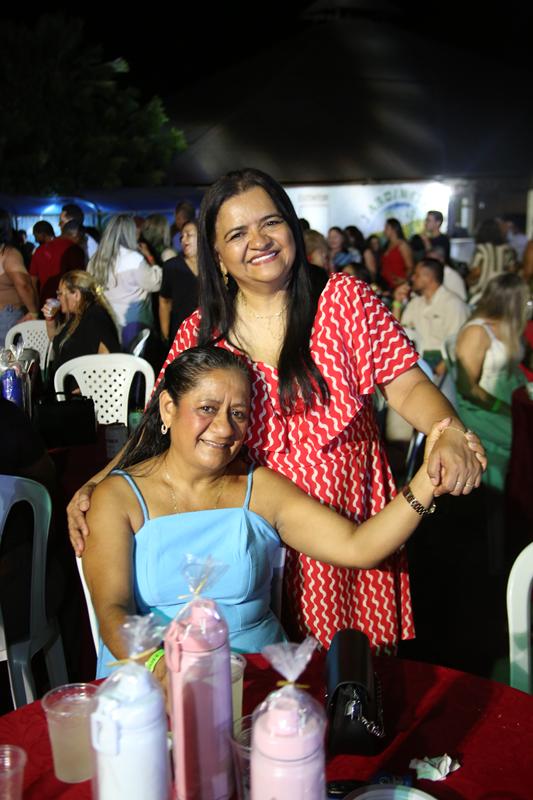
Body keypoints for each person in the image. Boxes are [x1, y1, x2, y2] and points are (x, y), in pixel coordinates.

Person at [69, 168, 485, 655]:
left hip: (346, 526)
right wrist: (99, 485)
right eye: (237, 234)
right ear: (217, 255)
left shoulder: (344, 302)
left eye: (270, 223)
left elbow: (408, 385)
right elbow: (160, 429)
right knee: (256, 678)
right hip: (247, 541)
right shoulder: (201, 332)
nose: (259, 241)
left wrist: (446, 430)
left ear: (292, 227)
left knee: (349, 680)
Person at [82, 346, 481, 678]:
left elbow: (359, 547)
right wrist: (161, 669)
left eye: (238, 413)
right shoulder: (119, 496)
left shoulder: (260, 489)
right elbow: (113, 611)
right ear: (168, 408)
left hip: (257, 678)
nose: (224, 428)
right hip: (148, 675)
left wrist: (426, 483)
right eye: (207, 408)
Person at [454, 273, 529, 492]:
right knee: (525, 439)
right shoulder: (477, 331)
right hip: (482, 409)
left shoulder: (509, 328)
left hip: (509, 404)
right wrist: (501, 408)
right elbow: (467, 387)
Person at [87, 214, 162, 349]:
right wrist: (151, 259)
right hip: (133, 323)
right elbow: (155, 284)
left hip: (106, 321)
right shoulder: (134, 259)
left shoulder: (94, 260)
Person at [392, 257, 469, 375]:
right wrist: (397, 302)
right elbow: (396, 334)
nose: (412, 278)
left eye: (416, 275)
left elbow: (458, 342)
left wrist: (440, 370)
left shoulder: (453, 304)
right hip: (418, 359)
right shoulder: (415, 303)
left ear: (429, 278)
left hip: (443, 362)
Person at [43, 270, 120, 382]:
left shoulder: (94, 317)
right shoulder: (77, 316)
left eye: (60, 293)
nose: (58, 298)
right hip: (64, 384)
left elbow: (107, 358)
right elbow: (57, 342)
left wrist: (86, 384)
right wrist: (50, 319)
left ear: (76, 295)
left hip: (80, 390)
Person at [0, 209, 39, 345]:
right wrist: (34, 312)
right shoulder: (8, 254)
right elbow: (23, 285)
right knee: (13, 357)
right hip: (7, 316)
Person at [159, 220, 199, 344]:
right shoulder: (172, 266)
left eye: (189, 235)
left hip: (209, 331)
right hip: (181, 333)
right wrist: (165, 333)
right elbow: (164, 301)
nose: (183, 240)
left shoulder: (214, 265)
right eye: (182, 236)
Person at [29, 220, 85, 306]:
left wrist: (36, 302)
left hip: (46, 300)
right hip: (69, 301)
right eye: (82, 239)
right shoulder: (74, 250)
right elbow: (80, 278)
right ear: (77, 235)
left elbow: (33, 280)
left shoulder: (39, 250)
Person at [467, 219, 517, 304]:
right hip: (501, 293)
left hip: (481, 293)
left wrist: (467, 280)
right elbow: (512, 271)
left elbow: (476, 272)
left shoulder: (481, 249)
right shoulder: (507, 249)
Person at [381, 218, 414, 289]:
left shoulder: (402, 245)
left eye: (387, 228)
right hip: (386, 285)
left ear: (394, 229)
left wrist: (404, 280)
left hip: (400, 285)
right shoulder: (387, 245)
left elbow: (410, 267)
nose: (384, 231)